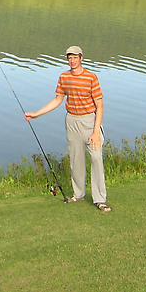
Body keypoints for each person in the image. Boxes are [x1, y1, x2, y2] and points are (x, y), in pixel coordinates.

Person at [25, 46, 111, 212]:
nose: (72, 61)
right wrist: (37, 114)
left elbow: (99, 106)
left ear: (81, 58)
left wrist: (95, 132)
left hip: (89, 121)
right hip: (72, 121)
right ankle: (78, 194)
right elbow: (58, 99)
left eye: (75, 57)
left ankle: (100, 199)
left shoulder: (91, 77)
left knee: (96, 158)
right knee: (76, 160)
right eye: (69, 58)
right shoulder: (64, 77)